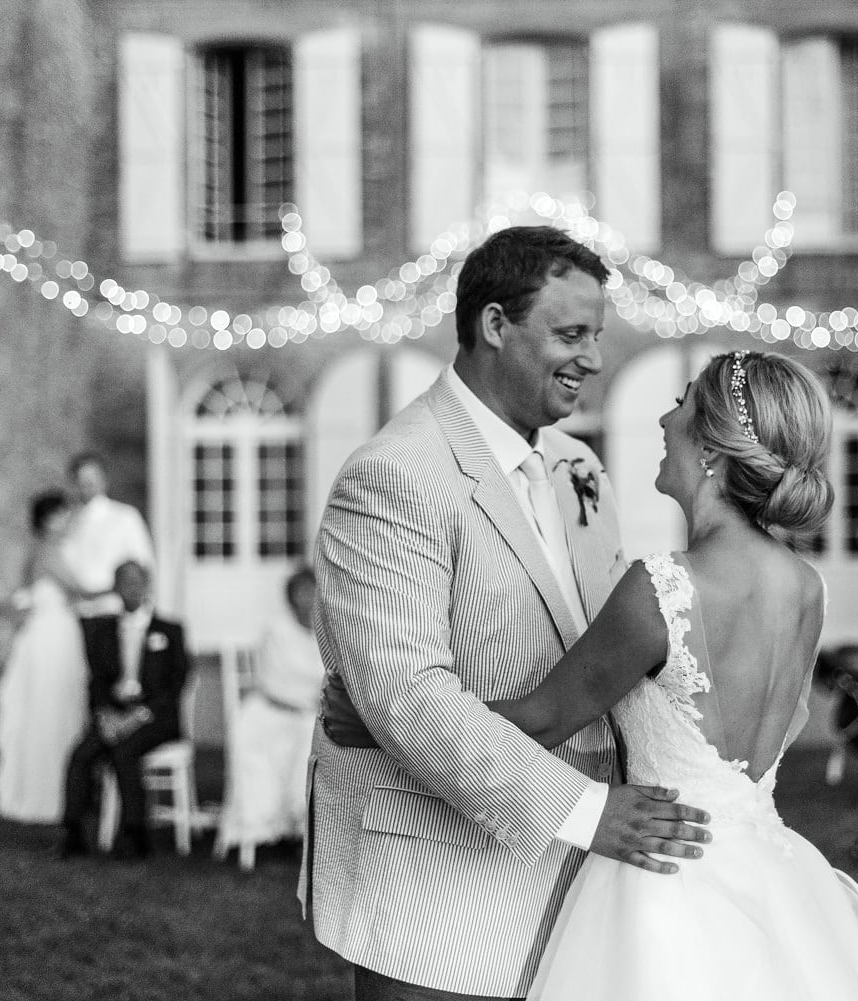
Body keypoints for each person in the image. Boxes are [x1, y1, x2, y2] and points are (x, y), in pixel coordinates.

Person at [308, 225, 712, 1001]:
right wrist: (587, 810)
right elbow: (408, 698)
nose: (593, 358)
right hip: (438, 882)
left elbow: (609, 649)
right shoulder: (395, 475)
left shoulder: (577, 466)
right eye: (570, 333)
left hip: (587, 885)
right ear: (495, 325)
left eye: (595, 335)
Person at [484, 350, 858, 1000]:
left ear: (713, 445)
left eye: (683, 401)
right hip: (771, 876)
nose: (664, 417)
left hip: (665, 882)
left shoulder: (661, 589)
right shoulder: (807, 586)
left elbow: (543, 718)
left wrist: (399, 711)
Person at [58, 561, 191, 859]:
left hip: (155, 718)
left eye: (136, 581)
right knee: (81, 755)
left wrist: (138, 716)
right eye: (124, 582)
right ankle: (73, 832)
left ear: (147, 584)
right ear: (116, 588)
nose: (131, 588)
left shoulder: (170, 630)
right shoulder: (103, 631)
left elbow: (175, 685)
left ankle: (134, 833)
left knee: (125, 751)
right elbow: (97, 682)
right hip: (114, 713)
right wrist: (105, 714)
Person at [0, 491, 107, 823]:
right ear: (46, 520)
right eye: (60, 515)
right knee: (51, 709)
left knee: (55, 708)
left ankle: (62, 791)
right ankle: (52, 796)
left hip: (52, 633)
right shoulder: (49, 551)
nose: (66, 520)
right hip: (52, 637)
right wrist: (119, 585)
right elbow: (82, 589)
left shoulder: (41, 551)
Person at [218, 567, 324, 855]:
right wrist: (311, 697)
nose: (308, 598)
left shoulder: (328, 633)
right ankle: (260, 830)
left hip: (310, 716)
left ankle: (304, 828)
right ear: (290, 597)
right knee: (258, 749)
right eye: (301, 592)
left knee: (312, 747)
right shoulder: (276, 629)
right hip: (270, 710)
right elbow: (274, 682)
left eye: (313, 590)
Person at [61, 451, 154, 617]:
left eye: (92, 478)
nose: (86, 485)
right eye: (81, 479)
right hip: (76, 611)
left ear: (104, 480)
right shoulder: (68, 523)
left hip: (113, 610)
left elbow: (142, 563)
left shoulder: (125, 516)